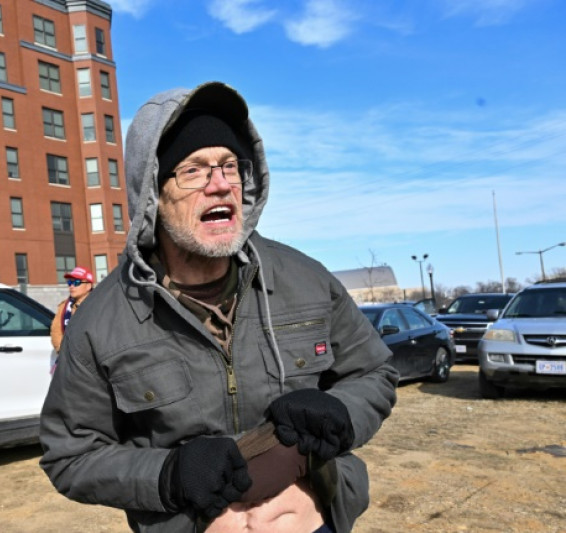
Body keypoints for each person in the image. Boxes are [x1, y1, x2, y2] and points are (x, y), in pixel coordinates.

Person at [39, 81, 398, 533]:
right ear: (153, 194)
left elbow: (375, 373)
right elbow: (70, 454)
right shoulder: (102, 319)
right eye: (194, 170)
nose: (221, 184)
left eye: (230, 166)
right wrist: (167, 477)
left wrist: (341, 413)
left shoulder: (305, 278)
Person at [49, 266, 94, 372]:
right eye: (70, 282)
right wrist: (65, 353)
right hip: (70, 363)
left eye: (77, 282)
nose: (72, 286)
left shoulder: (99, 305)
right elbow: (56, 332)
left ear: (88, 285)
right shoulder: (64, 307)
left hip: (93, 364)